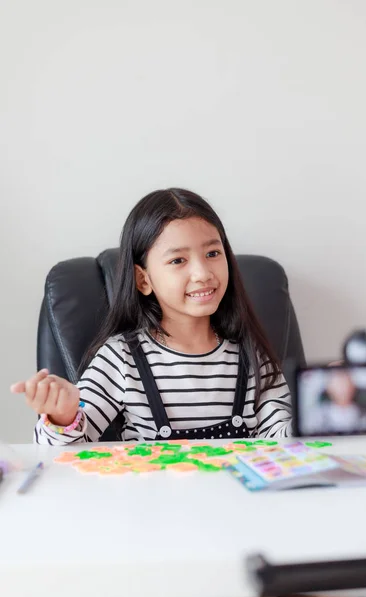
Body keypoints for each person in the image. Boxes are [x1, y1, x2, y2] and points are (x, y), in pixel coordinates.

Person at [10, 188, 292, 445]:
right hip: (152, 501)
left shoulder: (252, 354)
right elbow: (59, 455)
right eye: (178, 260)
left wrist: (327, 410)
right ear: (143, 279)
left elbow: (287, 442)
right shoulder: (122, 357)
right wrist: (63, 416)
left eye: (213, 253)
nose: (203, 273)